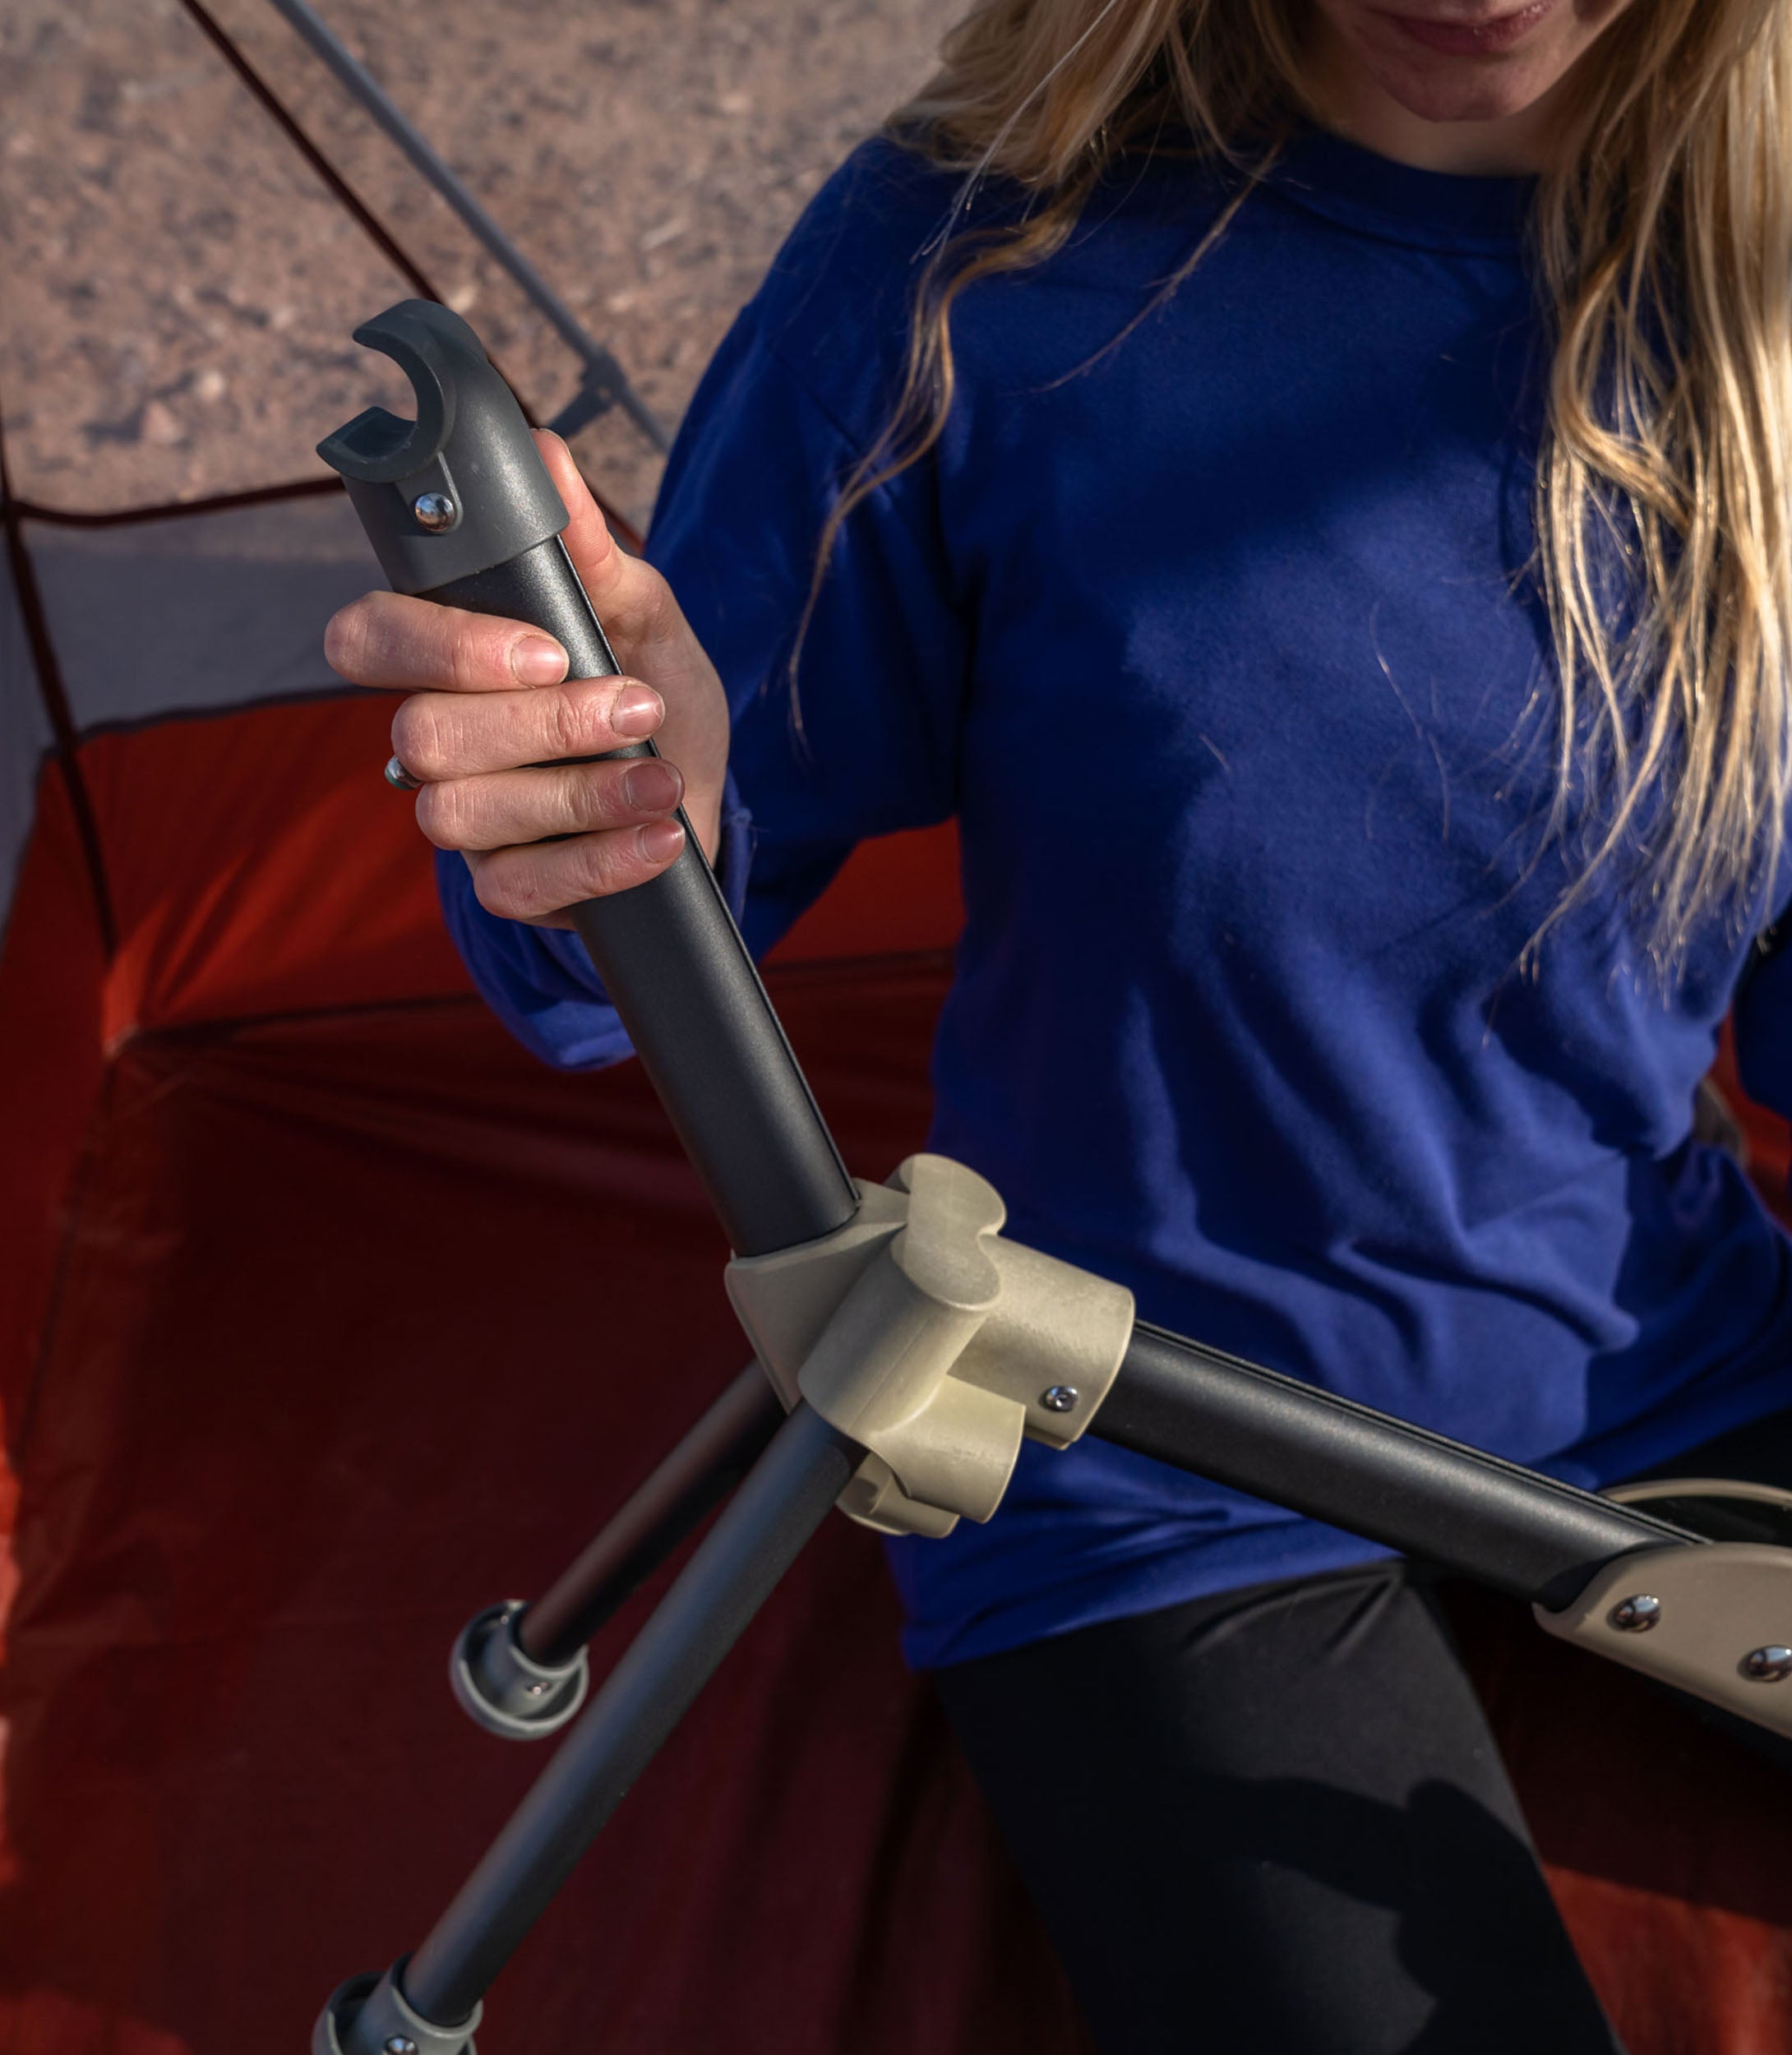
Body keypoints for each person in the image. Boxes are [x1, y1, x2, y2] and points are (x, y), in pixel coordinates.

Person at [323, 1, 1792, 2047]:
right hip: (1129, 1431)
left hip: (1670, 1351)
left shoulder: (1761, 286)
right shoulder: (973, 260)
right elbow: (593, 961)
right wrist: (622, 821)